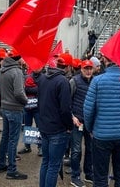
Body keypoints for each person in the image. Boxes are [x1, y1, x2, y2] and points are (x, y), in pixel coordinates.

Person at [84, 56, 120, 187]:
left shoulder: (97, 81)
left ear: (106, 61)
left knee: (100, 177)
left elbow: (88, 110)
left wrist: (90, 129)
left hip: (101, 135)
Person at [36, 55, 73, 187]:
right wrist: (69, 126)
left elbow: (40, 102)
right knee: (53, 165)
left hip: (45, 126)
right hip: (57, 129)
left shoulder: (44, 78)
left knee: (46, 162)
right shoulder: (63, 81)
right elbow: (65, 109)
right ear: (68, 67)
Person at [0, 48, 28, 180]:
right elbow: (19, 93)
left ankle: (1, 164)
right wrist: (26, 101)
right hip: (15, 109)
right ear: (18, 58)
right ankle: (12, 170)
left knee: (5, 137)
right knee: (13, 140)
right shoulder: (17, 71)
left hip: (5, 107)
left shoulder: (3, 70)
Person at [69, 59, 94, 187]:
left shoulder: (95, 82)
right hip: (77, 122)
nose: (88, 71)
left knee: (90, 149)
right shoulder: (74, 81)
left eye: (90, 68)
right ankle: (75, 175)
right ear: (82, 69)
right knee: (76, 150)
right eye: (86, 69)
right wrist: (72, 117)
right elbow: (67, 102)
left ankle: (89, 173)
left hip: (90, 123)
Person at [18, 72, 42, 156]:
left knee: (39, 127)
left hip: (38, 107)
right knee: (27, 126)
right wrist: (35, 89)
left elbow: (41, 91)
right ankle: (27, 147)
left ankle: (40, 147)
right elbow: (22, 89)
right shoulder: (26, 76)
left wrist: (30, 89)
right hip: (27, 106)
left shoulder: (43, 78)